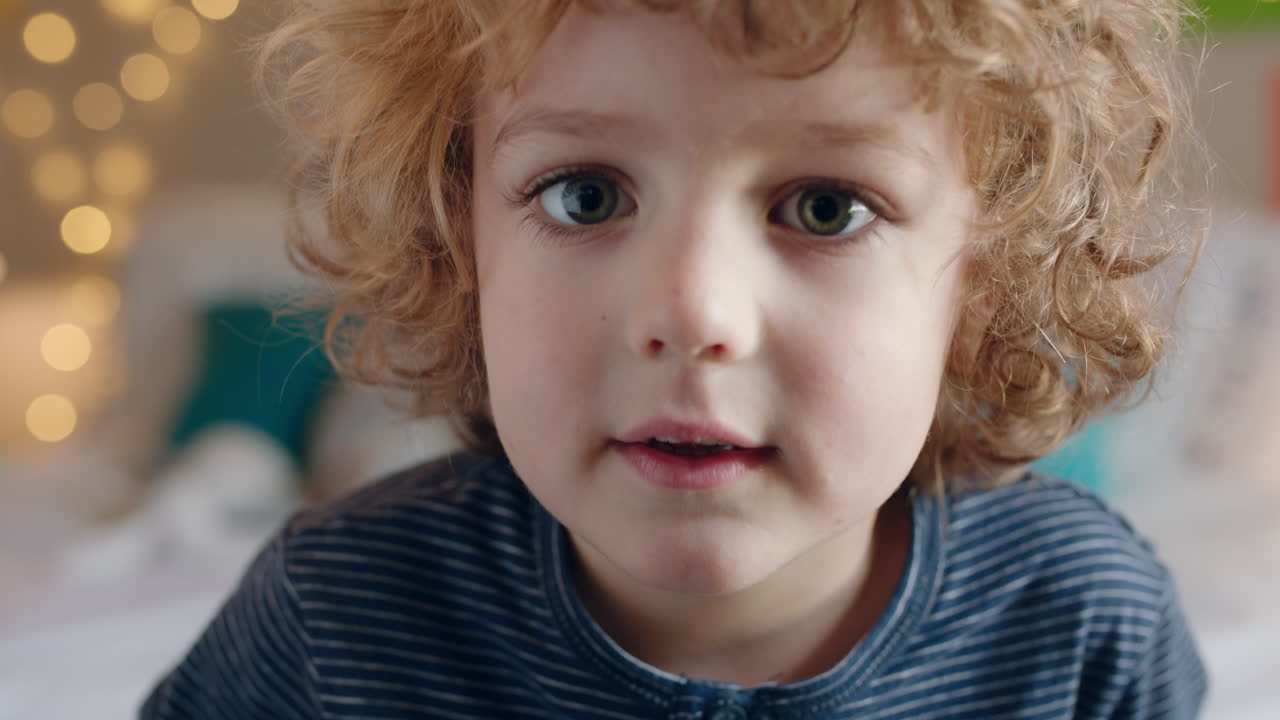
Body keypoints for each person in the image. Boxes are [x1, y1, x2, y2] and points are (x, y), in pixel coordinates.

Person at [141, 1, 1210, 717]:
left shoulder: (1079, 627)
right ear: (460, 245)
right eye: (586, 195)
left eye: (824, 208)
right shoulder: (333, 619)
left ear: (983, 284)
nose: (692, 312)